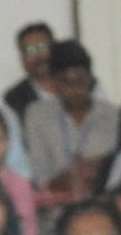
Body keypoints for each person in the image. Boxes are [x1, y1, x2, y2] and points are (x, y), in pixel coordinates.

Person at [20, 43, 115, 195]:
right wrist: (63, 179)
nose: (74, 90)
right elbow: (39, 176)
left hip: (104, 201)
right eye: (66, 82)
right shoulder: (38, 115)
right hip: (58, 205)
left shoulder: (112, 115)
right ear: (54, 82)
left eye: (79, 81)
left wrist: (100, 169)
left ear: (90, 78)